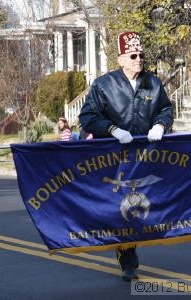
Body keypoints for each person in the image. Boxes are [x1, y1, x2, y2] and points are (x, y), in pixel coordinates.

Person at [79, 31, 173, 281]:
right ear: (120, 59)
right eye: (133, 55)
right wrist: (112, 130)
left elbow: (165, 108)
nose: (139, 59)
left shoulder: (153, 83)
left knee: (147, 202)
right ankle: (127, 260)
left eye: (141, 55)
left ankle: (135, 245)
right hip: (113, 156)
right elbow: (88, 117)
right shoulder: (103, 84)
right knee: (123, 208)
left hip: (145, 156)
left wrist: (161, 125)